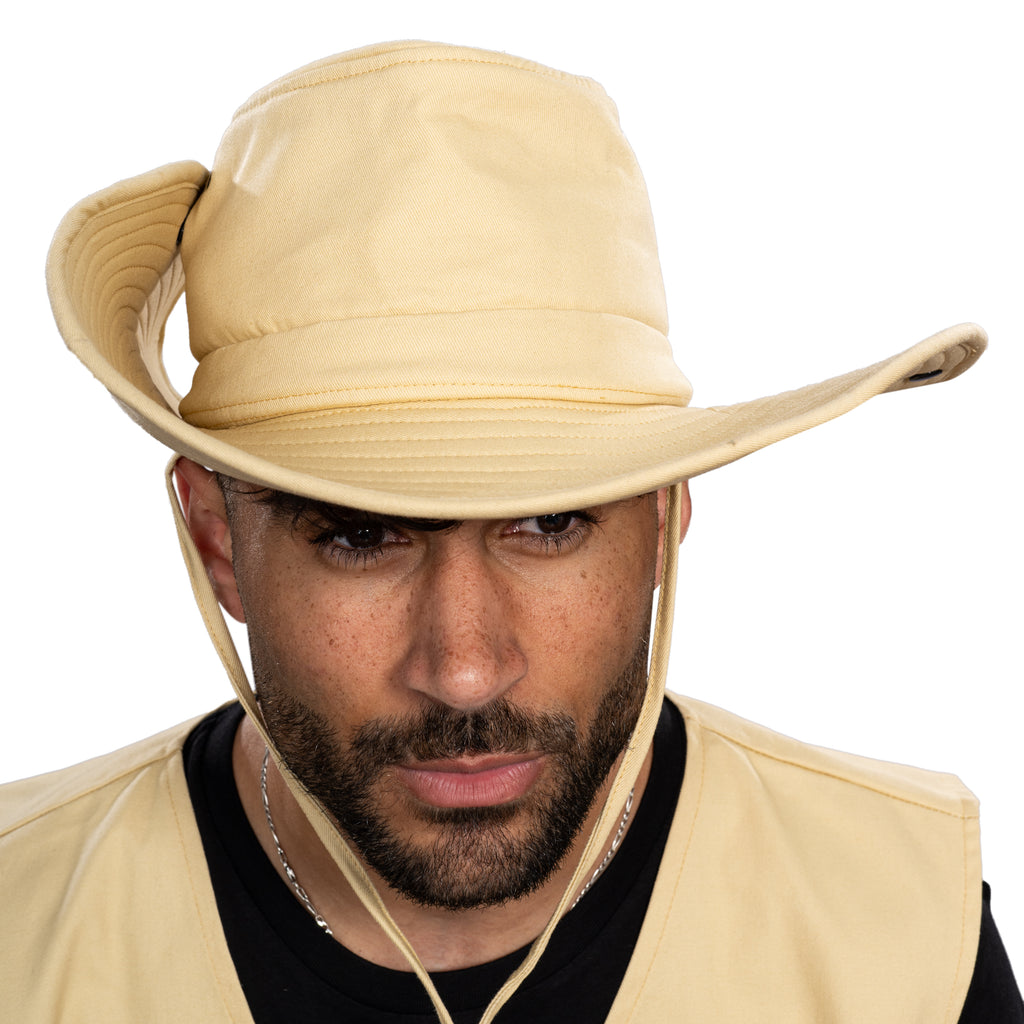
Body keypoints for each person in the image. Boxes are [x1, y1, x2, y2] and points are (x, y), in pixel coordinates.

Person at [2, 40, 1019, 1023]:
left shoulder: (902, 933)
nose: (464, 671)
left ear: (663, 517)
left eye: (549, 522)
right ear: (219, 541)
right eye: (360, 538)